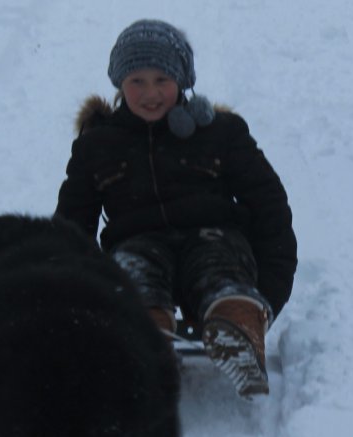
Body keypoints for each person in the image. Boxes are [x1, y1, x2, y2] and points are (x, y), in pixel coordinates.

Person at [55, 19, 297, 398]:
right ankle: (142, 338)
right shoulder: (97, 146)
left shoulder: (221, 133)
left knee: (219, 267)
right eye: (137, 81)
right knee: (131, 275)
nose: (150, 93)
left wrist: (268, 295)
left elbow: (269, 207)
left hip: (215, 238)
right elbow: (71, 227)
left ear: (183, 81)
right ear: (120, 83)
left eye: (161, 80)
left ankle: (238, 327)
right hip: (137, 243)